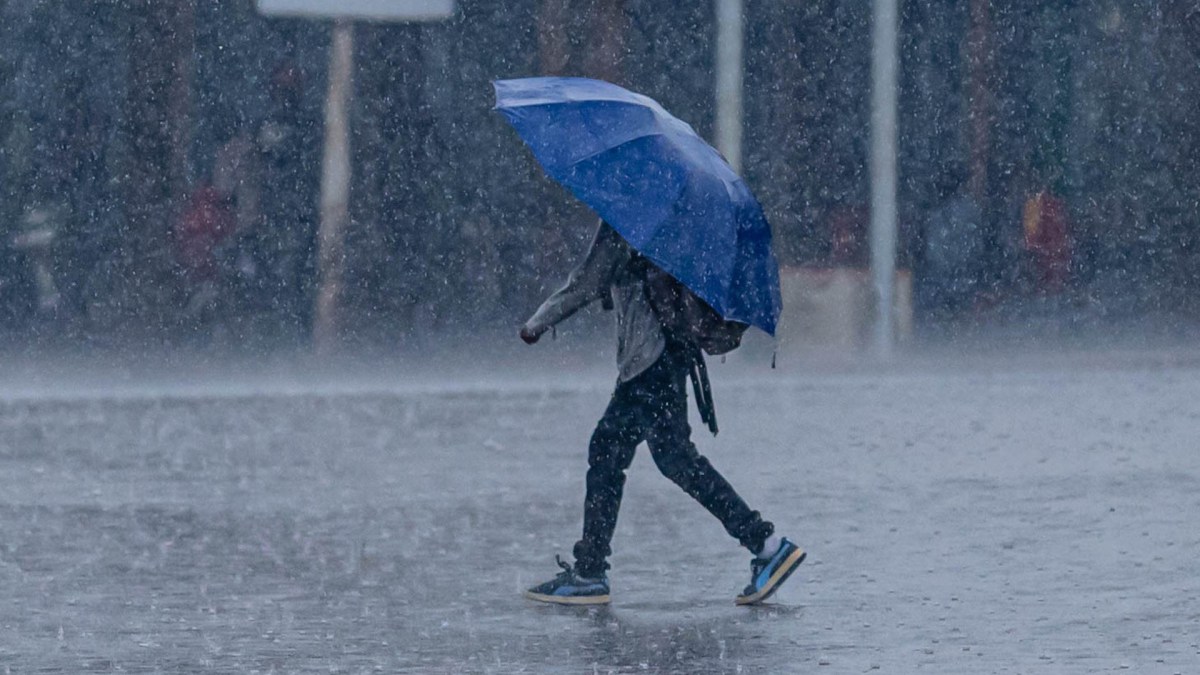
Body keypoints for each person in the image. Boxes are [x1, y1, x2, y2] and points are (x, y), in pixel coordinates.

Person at [518, 219, 805, 606]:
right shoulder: (672, 221)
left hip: (647, 361)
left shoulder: (627, 218)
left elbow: (587, 281)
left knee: (614, 452)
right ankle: (766, 544)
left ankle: (590, 572)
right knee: (668, 459)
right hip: (670, 354)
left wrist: (537, 322)